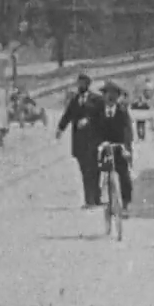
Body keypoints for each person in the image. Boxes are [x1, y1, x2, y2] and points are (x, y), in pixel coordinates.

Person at [57, 73, 103, 208]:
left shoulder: (97, 100)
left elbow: (101, 117)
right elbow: (67, 115)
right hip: (79, 142)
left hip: (94, 141)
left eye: (82, 84)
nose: (80, 86)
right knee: (85, 170)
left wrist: (89, 120)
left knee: (94, 170)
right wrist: (60, 129)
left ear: (88, 85)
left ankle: (95, 198)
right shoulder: (75, 100)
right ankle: (90, 200)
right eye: (79, 83)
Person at [94, 81, 135, 215]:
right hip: (104, 147)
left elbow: (128, 131)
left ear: (117, 98)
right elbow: (94, 131)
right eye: (107, 94)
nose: (110, 98)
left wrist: (126, 148)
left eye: (113, 95)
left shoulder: (122, 113)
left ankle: (126, 204)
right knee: (99, 173)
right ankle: (103, 199)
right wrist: (100, 143)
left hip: (120, 147)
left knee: (124, 176)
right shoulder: (98, 112)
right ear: (103, 97)